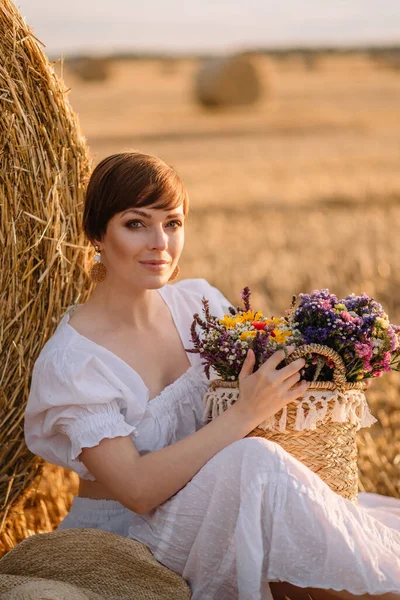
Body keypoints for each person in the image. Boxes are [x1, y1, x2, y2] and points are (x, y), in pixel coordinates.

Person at [24, 151, 400, 600]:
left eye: (173, 223)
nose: (159, 242)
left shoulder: (196, 305)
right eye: (136, 223)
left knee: (310, 510)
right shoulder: (75, 362)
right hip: (129, 540)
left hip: (216, 502)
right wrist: (244, 414)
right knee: (254, 461)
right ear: (96, 234)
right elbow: (138, 491)